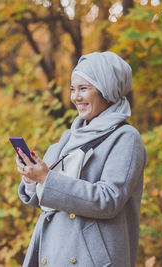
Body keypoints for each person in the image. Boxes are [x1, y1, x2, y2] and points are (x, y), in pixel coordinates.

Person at [15, 51, 146, 267]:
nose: (75, 97)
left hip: (91, 260)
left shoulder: (126, 138)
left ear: (106, 90)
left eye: (84, 89)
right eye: (72, 89)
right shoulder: (69, 136)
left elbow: (109, 200)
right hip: (52, 253)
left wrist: (47, 179)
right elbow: (50, 199)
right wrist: (31, 178)